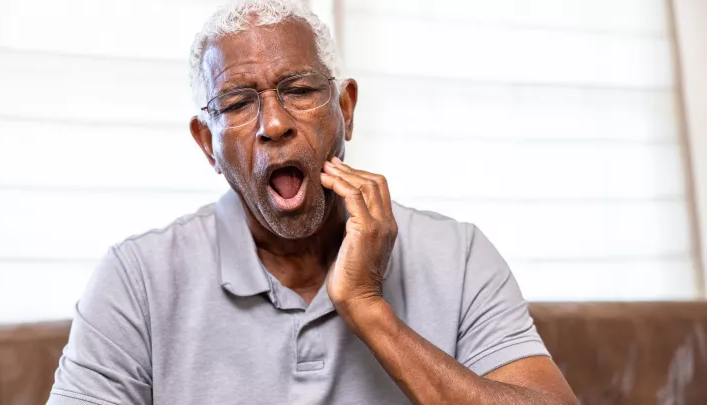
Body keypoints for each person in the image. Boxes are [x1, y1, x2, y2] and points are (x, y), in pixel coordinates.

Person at [47, 1, 578, 404]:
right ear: (208, 144)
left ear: (346, 108)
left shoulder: (458, 254)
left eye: (299, 90)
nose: (274, 125)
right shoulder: (136, 278)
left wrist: (368, 308)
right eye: (236, 103)